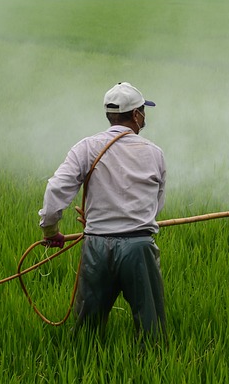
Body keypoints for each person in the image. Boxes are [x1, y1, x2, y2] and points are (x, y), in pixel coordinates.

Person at [37, 82, 167, 343]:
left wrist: (51, 230)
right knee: (152, 330)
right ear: (135, 114)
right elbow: (156, 205)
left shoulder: (86, 147)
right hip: (139, 247)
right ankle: (154, 367)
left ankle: (83, 366)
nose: (144, 117)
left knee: (88, 331)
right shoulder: (154, 153)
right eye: (143, 111)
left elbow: (56, 189)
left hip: (96, 246)